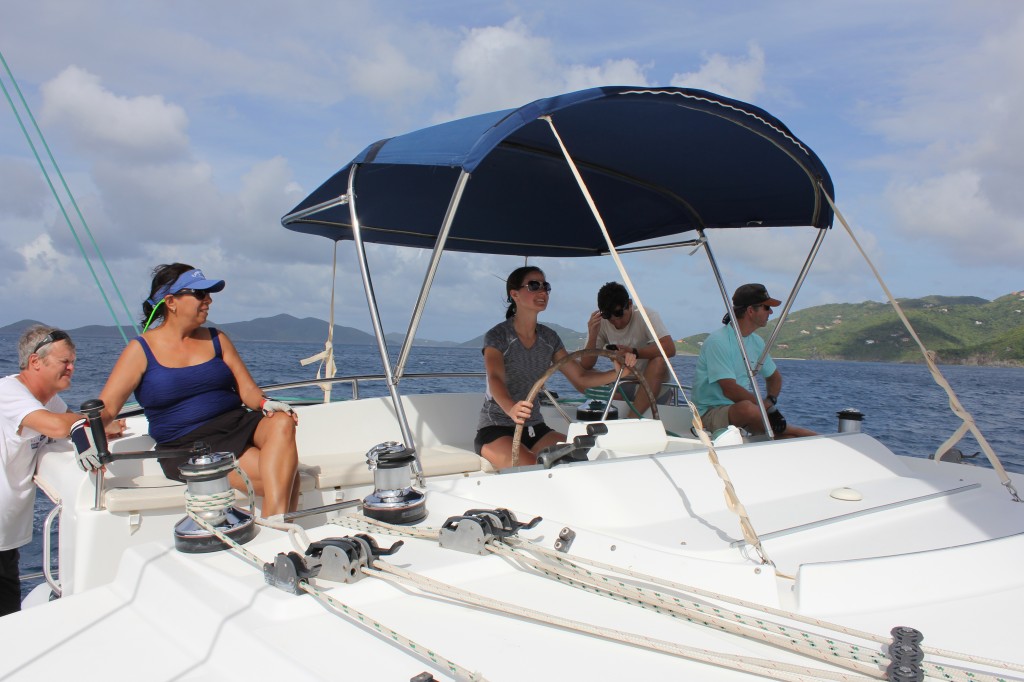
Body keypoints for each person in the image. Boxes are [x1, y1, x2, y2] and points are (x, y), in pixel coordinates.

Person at [97, 263, 300, 516]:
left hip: (236, 423)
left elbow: (248, 391)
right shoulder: (139, 351)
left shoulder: (217, 339)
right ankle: (279, 535)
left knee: (281, 421)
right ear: (171, 301)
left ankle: (275, 534)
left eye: (209, 294)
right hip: (188, 443)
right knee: (288, 477)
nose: (209, 300)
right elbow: (106, 409)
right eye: (200, 294)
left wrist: (265, 404)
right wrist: (87, 432)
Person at [0, 326, 123, 617]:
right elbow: (59, 426)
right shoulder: (8, 393)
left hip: (7, 538)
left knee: (8, 622)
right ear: (35, 362)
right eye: (64, 361)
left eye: (73, 362)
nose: (71, 368)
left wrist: (102, 430)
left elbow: (67, 427)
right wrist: (97, 425)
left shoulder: (50, 402)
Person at [476, 266, 634, 469]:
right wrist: (511, 408)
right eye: (534, 286)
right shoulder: (498, 336)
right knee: (534, 468)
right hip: (496, 429)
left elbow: (581, 379)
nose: (542, 292)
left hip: (535, 428)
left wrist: (619, 373)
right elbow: (495, 378)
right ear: (514, 294)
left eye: (545, 286)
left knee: (582, 458)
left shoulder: (549, 338)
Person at [693, 283, 816, 439]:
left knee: (788, 439)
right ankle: (795, 430)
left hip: (744, 412)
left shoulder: (756, 342)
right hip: (709, 414)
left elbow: (775, 377)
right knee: (748, 409)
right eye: (766, 307)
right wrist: (764, 408)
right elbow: (729, 389)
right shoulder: (718, 341)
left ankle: (788, 433)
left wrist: (770, 401)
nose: (771, 312)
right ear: (750, 311)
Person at [581, 282, 676, 416]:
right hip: (622, 383)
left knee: (659, 361)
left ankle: (632, 418)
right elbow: (586, 365)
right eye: (608, 316)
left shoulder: (646, 315)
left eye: (619, 314)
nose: (616, 322)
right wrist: (593, 334)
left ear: (630, 303)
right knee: (584, 372)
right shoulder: (601, 323)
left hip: (651, 383)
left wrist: (634, 352)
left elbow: (670, 348)